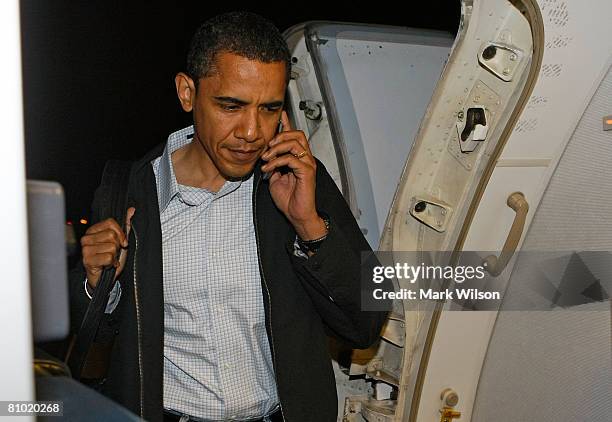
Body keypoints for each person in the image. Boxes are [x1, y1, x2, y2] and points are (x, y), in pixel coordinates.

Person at [70, 11, 389, 422]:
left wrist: (309, 225)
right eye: (231, 105)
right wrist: (97, 284)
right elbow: (96, 337)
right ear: (187, 93)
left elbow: (366, 323)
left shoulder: (296, 178)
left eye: (270, 108)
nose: (252, 131)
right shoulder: (127, 192)